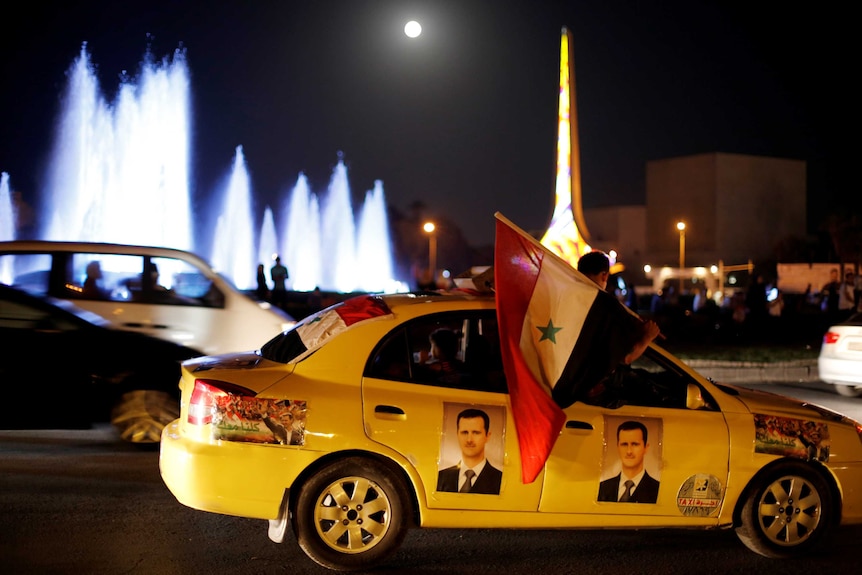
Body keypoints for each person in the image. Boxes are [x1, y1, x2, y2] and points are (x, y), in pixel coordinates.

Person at [576, 250, 661, 366]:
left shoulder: (570, 299)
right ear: (605, 275)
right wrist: (647, 337)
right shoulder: (607, 306)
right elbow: (626, 357)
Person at [437, 408, 502, 494]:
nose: (469, 440)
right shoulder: (441, 477)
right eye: (464, 432)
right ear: (457, 434)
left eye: (476, 433)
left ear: (488, 436)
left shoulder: (500, 479)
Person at [597, 420, 660, 503]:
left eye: (635, 444)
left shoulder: (658, 490)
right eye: (624, 444)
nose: (629, 451)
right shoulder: (602, 488)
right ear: (618, 447)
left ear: (646, 448)